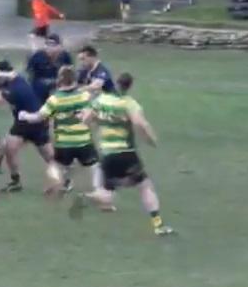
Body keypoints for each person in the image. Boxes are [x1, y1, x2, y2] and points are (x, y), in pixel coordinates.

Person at [71, 72, 175, 236]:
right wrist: (151, 139)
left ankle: (85, 197)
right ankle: (158, 225)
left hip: (106, 153)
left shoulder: (100, 101)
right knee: (145, 186)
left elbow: (85, 120)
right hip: (126, 152)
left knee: (107, 194)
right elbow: (140, 123)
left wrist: (99, 119)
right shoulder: (128, 103)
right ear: (129, 86)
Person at [0, 60, 62, 194]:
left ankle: (60, 179)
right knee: (10, 147)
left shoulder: (15, 88)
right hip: (32, 122)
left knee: (48, 156)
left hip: (30, 122)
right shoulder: (15, 81)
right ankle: (15, 181)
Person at [18, 66, 104, 196]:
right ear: (74, 79)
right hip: (83, 141)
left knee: (57, 165)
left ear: (60, 80)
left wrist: (24, 116)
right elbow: (93, 112)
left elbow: (39, 117)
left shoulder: (55, 99)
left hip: (63, 142)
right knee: (95, 166)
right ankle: (98, 189)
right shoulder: (84, 96)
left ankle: (57, 184)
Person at [26, 33, 73, 105]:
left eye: (53, 45)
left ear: (60, 46)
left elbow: (69, 72)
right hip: (40, 86)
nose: (49, 47)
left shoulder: (65, 56)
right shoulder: (37, 56)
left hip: (59, 86)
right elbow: (30, 73)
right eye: (47, 44)